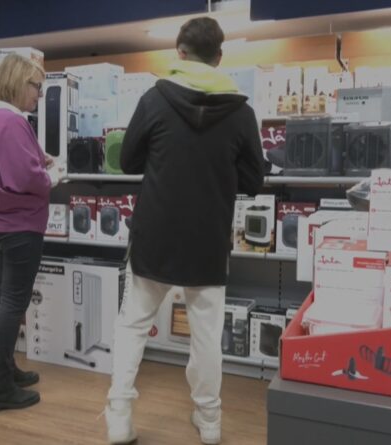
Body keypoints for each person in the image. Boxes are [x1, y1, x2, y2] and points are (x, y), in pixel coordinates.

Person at [104, 17, 264, 445]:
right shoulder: (242, 112)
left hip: (154, 231)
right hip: (208, 237)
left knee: (133, 325)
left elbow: (127, 161)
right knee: (207, 334)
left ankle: (119, 418)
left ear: (179, 52)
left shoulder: (153, 100)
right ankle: (209, 421)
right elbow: (254, 180)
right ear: (219, 57)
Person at [0, 53, 53, 413]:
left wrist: (37, 159)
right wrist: (50, 176)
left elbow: (13, 166)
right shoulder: (13, 123)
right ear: (20, 83)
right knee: (13, 304)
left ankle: (4, 370)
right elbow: (25, 178)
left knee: (3, 299)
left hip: (0, 225)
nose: (39, 94)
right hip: (20, 225)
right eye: (36, 86)